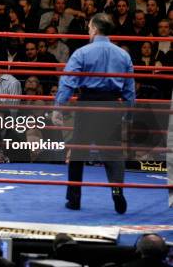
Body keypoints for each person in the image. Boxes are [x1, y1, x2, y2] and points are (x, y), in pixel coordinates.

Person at [52, 13, 135, 214]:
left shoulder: (82, 52)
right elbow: (129, 88)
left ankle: (74, 199)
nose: (88, 31)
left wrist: (58, 107)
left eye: (89, 28)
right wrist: (130, 113)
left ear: (95, 29)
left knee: (78, 154)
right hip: (111, 105)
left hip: (88, 104)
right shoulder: (123, 55)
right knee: (113, 155)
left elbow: (68, 81)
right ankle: (117, 191)